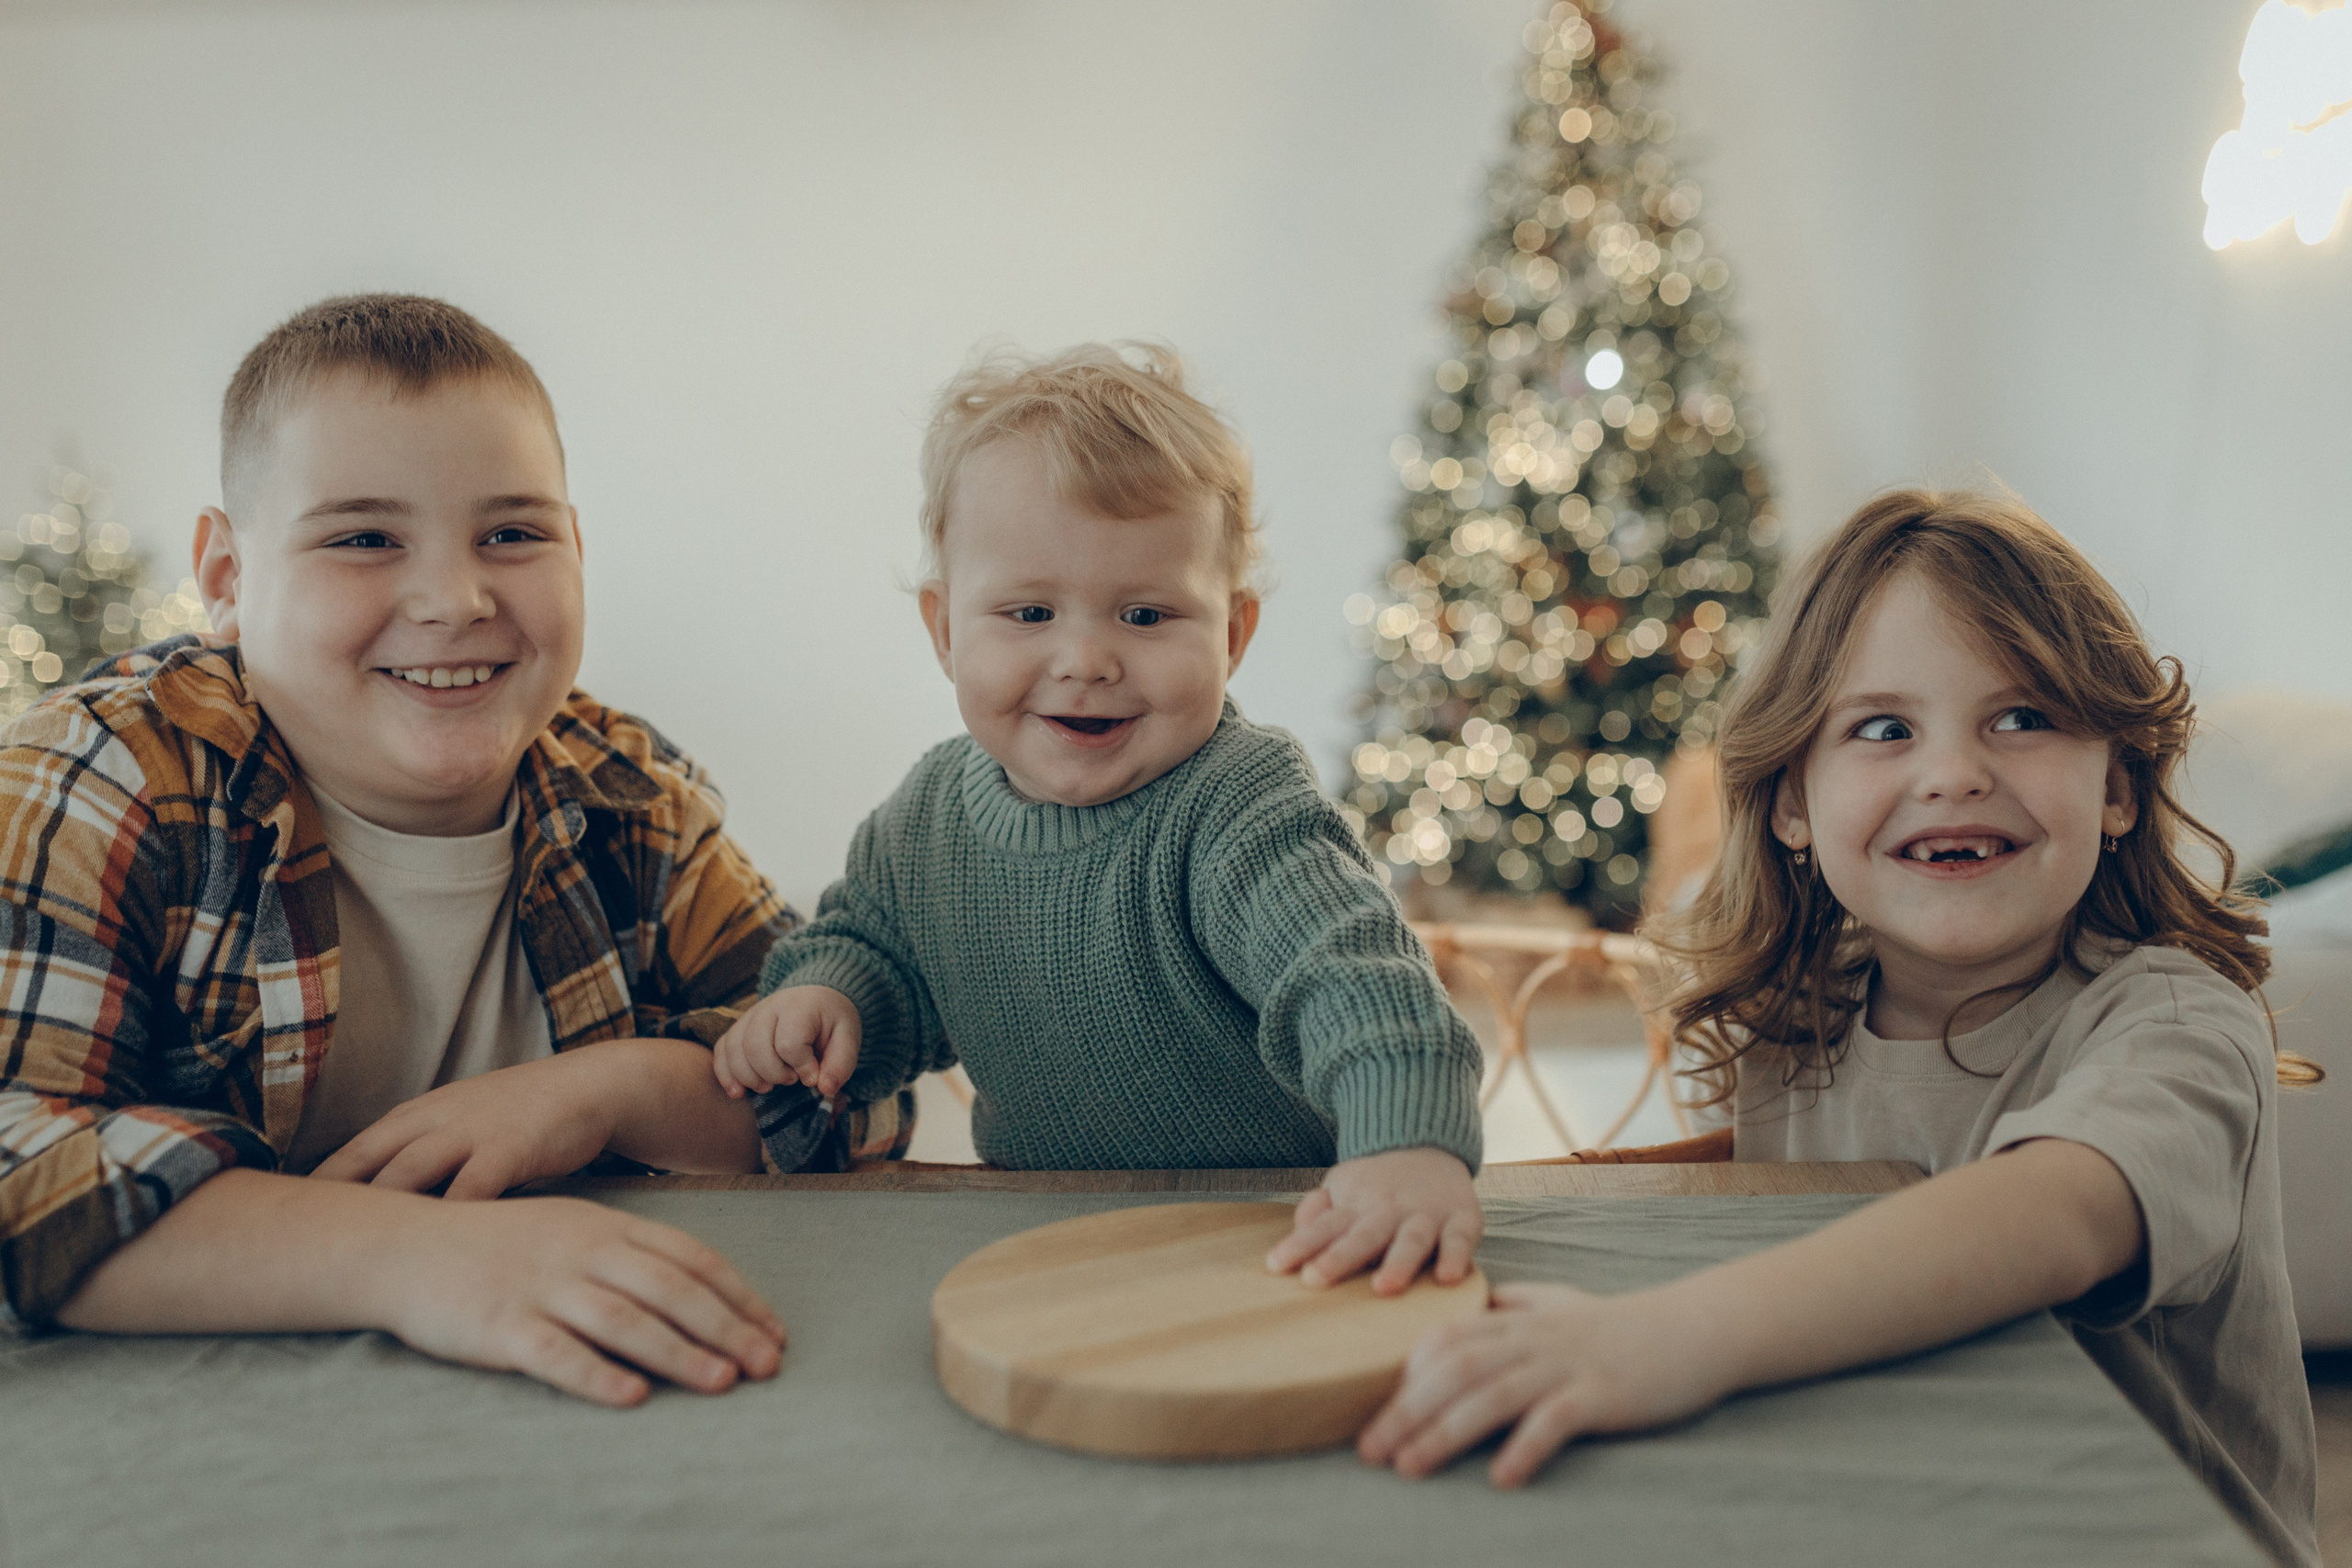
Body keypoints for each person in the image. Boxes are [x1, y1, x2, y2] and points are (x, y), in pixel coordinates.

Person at [1357, 490, 2322, 1568]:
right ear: (1791, 806)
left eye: (2023, 717)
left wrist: (1666, 1336)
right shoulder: (1798, 1012)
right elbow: (1806, 1197)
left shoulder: (2178, 1021)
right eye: (1882, 729)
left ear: (2120, 787)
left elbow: (2050, 1218)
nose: (1953, 771)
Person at [0, 294, 907, 1406]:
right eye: (364, 538)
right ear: (227, 577)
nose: (454, 598)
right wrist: (408, 1255)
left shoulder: (628, 796)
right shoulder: (99, 779)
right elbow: (17, 1157)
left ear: (575, 547)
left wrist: (603, 1093)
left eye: (511, 534)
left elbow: (857, 1080)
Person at [713, 343, 1487, 1294]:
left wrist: (1405, 1151)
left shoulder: (1238, 805)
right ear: (944, 629)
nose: (1085, 659)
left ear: (1233, 635)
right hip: (1045, 1241)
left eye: (1146, 617)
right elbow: (880, 956)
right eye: (1031, 613)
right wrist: (827, 1002)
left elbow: (1352, 983)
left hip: (1278, 1232)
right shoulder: (924, 820)